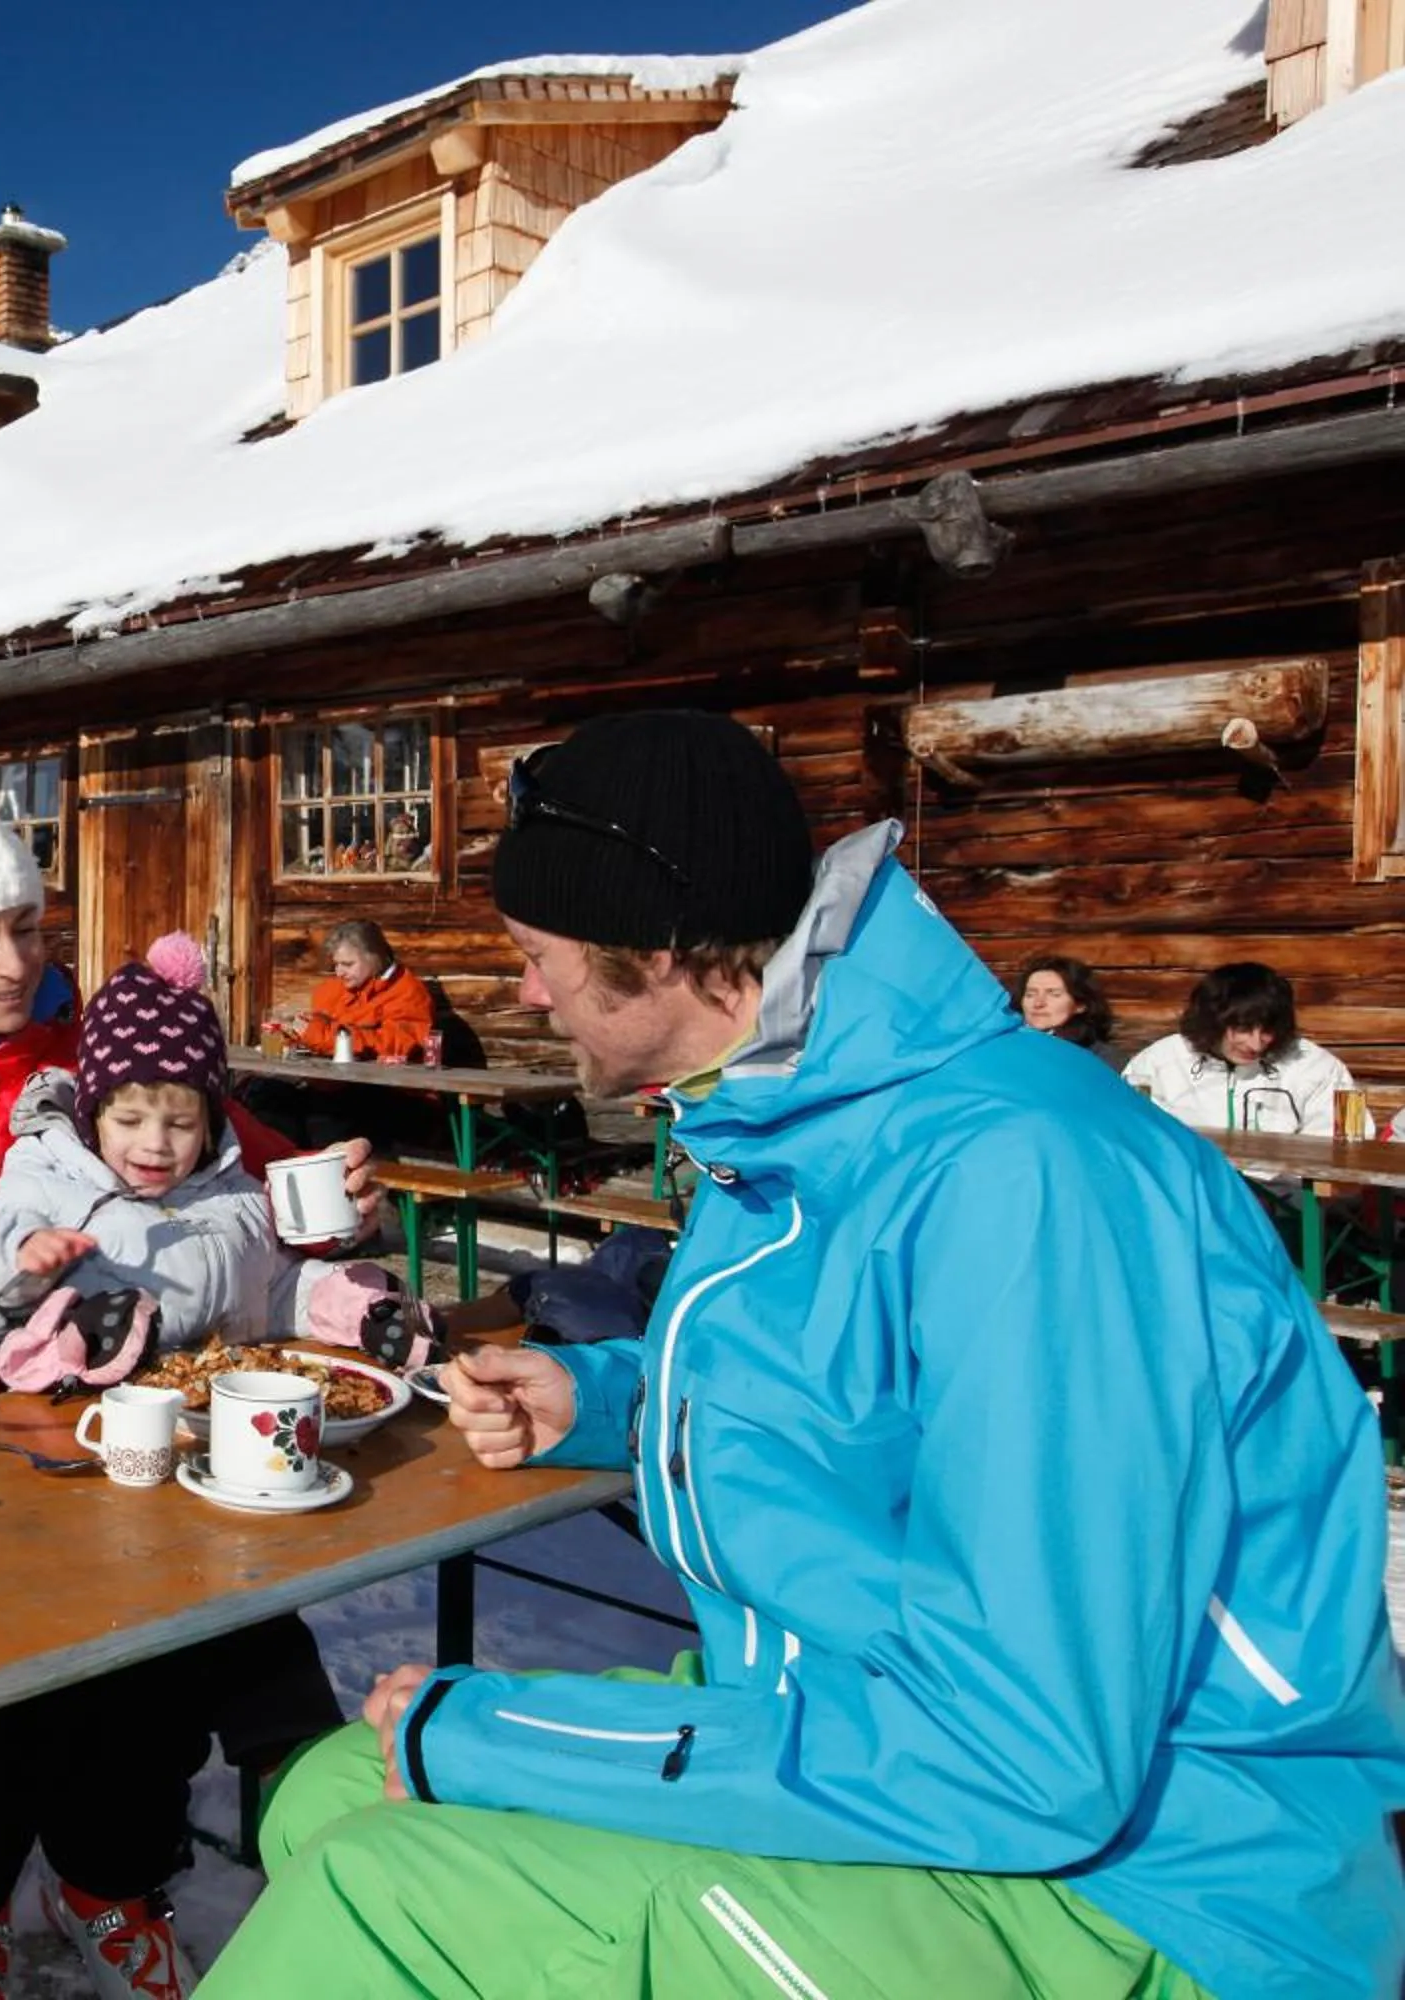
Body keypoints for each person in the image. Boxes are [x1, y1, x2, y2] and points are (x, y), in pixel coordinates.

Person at [202, 710, 1405, 1998]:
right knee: (331, 1786)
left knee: (386, 1896)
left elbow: (1029, 1752)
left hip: (1149, 1887)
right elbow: (862, 1394)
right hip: (864, 1712)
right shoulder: (781, 1112)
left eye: (538, 955)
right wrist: (610, 1392)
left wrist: (504, 1735)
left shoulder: (1028, 1179)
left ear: (654, 950)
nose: (529, 994)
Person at [0, 769, 382, 1414]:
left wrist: (339, 1203)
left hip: (126, 1404)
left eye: (27, 929)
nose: (15, 965)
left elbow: (242, 1179)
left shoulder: (110, 1060)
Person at [1122, 960, 1352, 1136]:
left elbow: (1346, 1143)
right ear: (1212, 1020)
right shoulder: (1158, 1062)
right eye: (1243, 1028)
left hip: (1282, 1193)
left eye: (1267, 1031)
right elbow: (1128, 1129)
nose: (1255, 1044)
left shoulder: (1319, 1067)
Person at [271, 919, 435, 1063]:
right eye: (336, 964)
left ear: (374, 957)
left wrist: (320, 1034)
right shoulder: (332, 989)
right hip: (331, 1082)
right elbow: (315, 1040)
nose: (339, 972)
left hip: (384, 1089)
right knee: (257, 1085)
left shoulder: (408, 993)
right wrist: (292, 1035)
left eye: (348, 964)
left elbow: (395, 1047)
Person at [1009, 951, 1115, 1053]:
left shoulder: (1102, 1058)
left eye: (1054, 994)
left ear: (1080, 1004)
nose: (1038, 1003)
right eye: (1030, 995)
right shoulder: (1008, 1045)